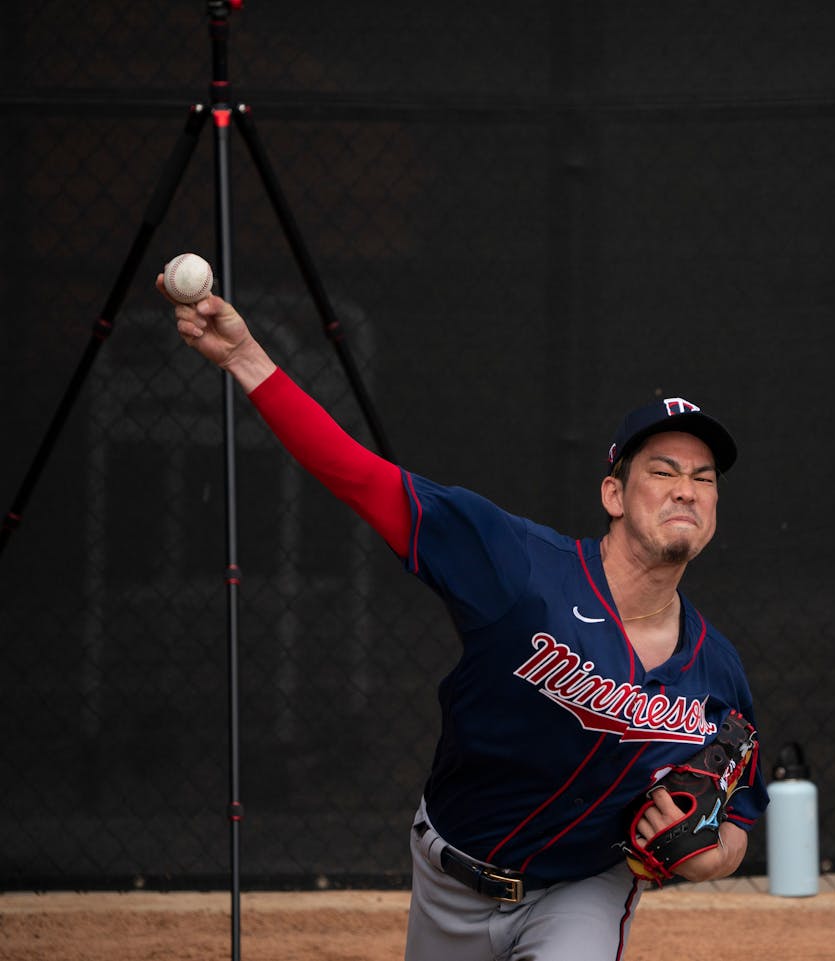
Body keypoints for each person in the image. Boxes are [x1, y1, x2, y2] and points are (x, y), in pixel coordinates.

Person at [160, 281, 768, 961]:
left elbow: (740, 807)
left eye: (705, 477)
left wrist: (716, 856)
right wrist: (246, 357)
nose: (687, 487)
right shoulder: (516, 563)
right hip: (451, 871)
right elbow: (359, 476)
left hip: (581, 889)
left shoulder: (718, 671)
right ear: (614, 494)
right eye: (663, 469)